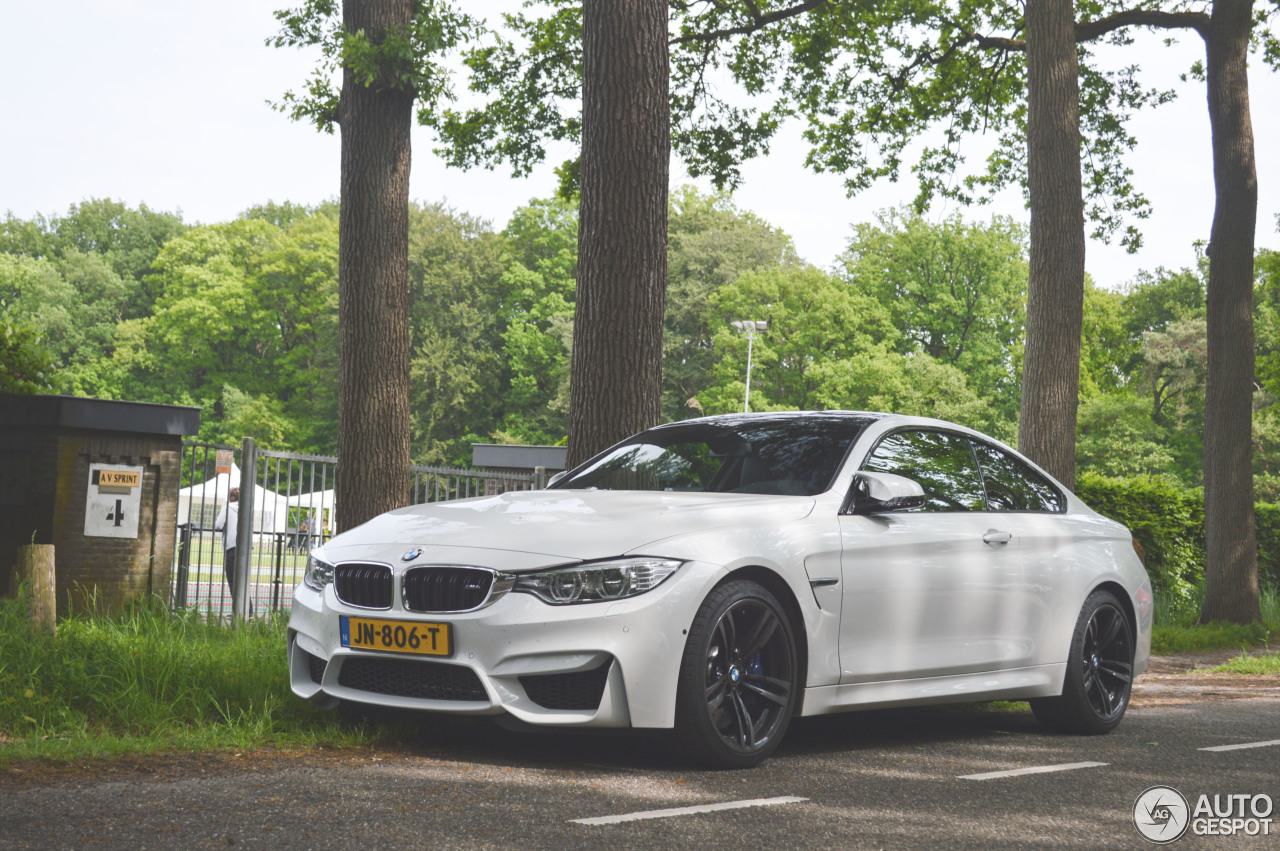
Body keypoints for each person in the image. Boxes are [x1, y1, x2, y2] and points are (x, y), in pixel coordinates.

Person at [213, 487, 249, 613]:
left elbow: (218, 525)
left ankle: (237, 611)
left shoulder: (227, 508)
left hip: (232, 547)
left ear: (232, 497)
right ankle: (248, 611)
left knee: (232, 579)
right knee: (243, 581)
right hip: (245, 548)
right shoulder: (246, 509)